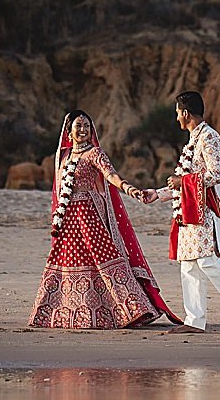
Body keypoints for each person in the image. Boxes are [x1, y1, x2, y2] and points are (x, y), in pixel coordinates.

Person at [28, 110, 179, 329]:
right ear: (69, 131)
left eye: (87, 126)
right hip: (69, 219)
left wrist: (130, 189)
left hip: (89, 216)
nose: (83, 130)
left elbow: (111, 176)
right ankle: (63, 312)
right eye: (78, 126)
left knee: (103, 258)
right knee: (68, 260)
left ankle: (133, 310)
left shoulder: (95, 153)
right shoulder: (63, 156)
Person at [155, 91, 220, 334]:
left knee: (207, 262)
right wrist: (157, 194)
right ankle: (194, 321)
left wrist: (183, 181)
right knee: (189, 265)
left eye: (177, 114)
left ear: (185, 113)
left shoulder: (209, 137)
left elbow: (216, 174)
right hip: (188, 213)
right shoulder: (193, 139)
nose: (177, 118)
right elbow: (183, 183)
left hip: (203, 213)